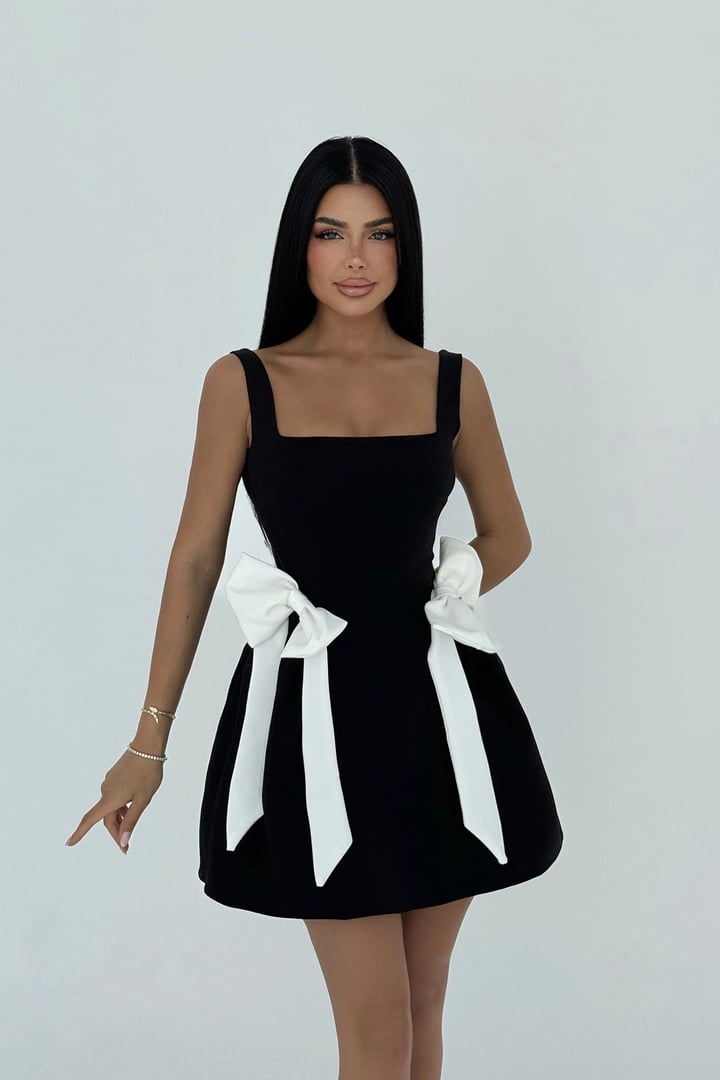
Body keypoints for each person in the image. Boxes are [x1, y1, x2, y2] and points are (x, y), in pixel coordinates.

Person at [66, 135, 563, 1080]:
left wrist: (453, 583)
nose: (355, 258)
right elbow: (196, 560)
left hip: (438, 713)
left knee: (422, 1003)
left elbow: (510, 534)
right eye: (331, 233)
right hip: (313, 720)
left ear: (405, 247)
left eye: (380, 233)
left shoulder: (452, 380)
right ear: (299, 243)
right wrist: (147, 744)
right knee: (375, 1028)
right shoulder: (243, 382)